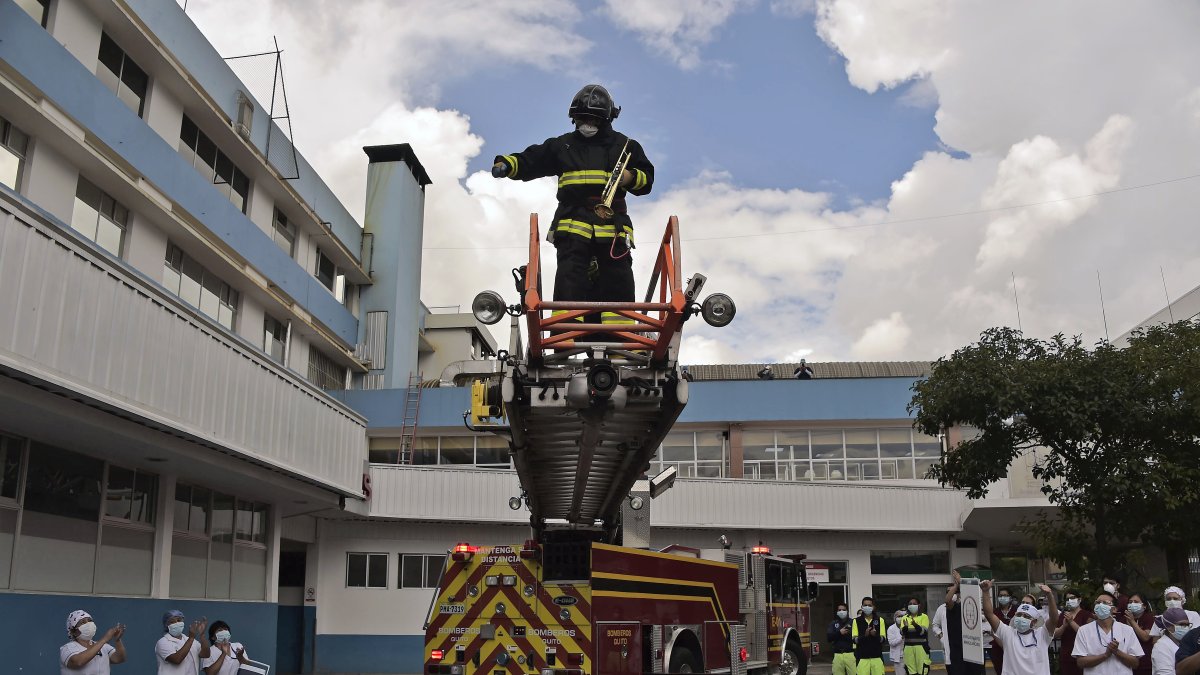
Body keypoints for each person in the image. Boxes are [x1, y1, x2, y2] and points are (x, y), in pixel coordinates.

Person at [492, 84, 653, 329]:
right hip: (572, 223)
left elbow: (647, 179)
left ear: (607, 118)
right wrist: (508, 165)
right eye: (581, 118)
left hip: (613, 227)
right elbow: (533, 159)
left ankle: (620, 332)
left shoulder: (626, 146)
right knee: (570, 275)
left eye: (593, 118)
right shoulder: (563, 145)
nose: (586, 123)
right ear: (573, 118)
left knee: (617, 277)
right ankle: (566, 330)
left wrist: (630, 177)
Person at [982, 581, 1059, 675]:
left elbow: (1054, 619)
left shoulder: (1042, 634)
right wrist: (985, 592)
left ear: (1034, 622)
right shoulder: (1008, 633)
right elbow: (989, 614)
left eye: (1026, 616)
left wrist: (1049, 595)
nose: (1021, 618)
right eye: (1019, 615)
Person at [1071, 591, 1143, 675]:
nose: (1100, 605)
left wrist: (1117, 652)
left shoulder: (1127, 630)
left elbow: (1135, 663)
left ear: (1114, 609)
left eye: (1105, 603)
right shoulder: (1083, 630)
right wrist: (1105, 655)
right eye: (1098, 602)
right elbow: (1080, 663)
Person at [944, 571, 986, 675]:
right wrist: (957, 585)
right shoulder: (955, 607)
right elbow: (948, 601)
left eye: (957, 592)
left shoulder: (974, 607)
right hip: (958, 650)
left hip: (973, 648)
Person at [61, 610, 126, 674]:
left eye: (90, 620)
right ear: (73, 632)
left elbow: (119, 659)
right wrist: (105, 639)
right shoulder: (67, 648)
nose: (88, 624)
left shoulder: (103, 646)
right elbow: (77, 662)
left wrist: (117, 640)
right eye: (83, 622)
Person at [155, 610, 209, 674]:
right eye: (172, 622)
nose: (176, 623)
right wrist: (191, 638)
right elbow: (177, 659)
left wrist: (202, 635)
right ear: (166, 625)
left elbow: (205, 654)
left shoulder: (191, 641)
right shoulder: (163, 642)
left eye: (179, 620)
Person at [1056, 590, 1094, 675]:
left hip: (1082, 656)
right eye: (1067, 599)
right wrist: (1064, 626)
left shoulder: (1087, 615)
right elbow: (1056, 635)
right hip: (1066, 655)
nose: (1069, 601)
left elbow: (1088, 635)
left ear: (1079, 599)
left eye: (1072, 598)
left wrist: (1071, 622)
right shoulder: (1063, 615)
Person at [852, 597, 889, 675]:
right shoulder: (856, 621)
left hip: (877, 658)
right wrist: (864, 636)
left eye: (869, 605)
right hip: (862, 658)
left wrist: (875, 635)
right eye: (865, 605)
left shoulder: (880, 620)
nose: (867, 607)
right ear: (862, 607)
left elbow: (883, 639)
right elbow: (854, 640)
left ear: (873, 607)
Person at [1120, 592, 1154, 675]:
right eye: (1130, 602)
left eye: (1136, 602)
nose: (1132, 604)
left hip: (1145, 664)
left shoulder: (1149, 618)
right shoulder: (1122, 619)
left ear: (1144, 606)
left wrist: (1132, 621)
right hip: (1126, 663)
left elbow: (1145, 637)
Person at [1150, 607, 1189, 675]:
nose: (1185, 628)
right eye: (1181, 625)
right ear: (1169, 627)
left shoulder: (1183, 644)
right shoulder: (1161, 647)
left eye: (1187, 625)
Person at [900, 597, 932, 675]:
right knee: (910, 671)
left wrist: (915, 625)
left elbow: (923, 632)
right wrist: (906, 627)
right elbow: (902, 633)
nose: (912, 605)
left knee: (922, 671)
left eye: (914, 604)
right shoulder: (904, 617)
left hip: (921, 648)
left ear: (919, 605)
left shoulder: (924, 617)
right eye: (910, 604)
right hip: (908, 647)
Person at [991, 588, 1018, 675]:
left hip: (1014, 647)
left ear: (1010, 597)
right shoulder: (995, 612)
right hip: (998, 648)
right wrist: (1002, 645)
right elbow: (993, 630)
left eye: (1005, 595)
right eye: (1000, 596)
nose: (1002, 597)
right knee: (1000, 670)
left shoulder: (1016, 611)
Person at [829, 602, 857, 675]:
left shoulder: (853, 622)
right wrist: (839, 633)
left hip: (850, 654)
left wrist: (848, 633)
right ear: (837, 612)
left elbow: (857, 637)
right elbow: (829, 638)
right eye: (839, 610)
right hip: (838, 654)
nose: (841, 612)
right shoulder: (833, 623)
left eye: (843, 610)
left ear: (847, 611)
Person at [932, 602, 951, 672]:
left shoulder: (963, 605)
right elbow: (935, 625)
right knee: (951, 669)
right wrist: (940, 635)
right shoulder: (942, 608)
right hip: (948, 645)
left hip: (962, 646)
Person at [889, 610, 907, 675]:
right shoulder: (891, 629)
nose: (900, 618)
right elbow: (891, 642)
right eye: (899, 616)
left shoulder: (906, 627)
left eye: (902, 616)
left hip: (908, 655)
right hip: (898, 657)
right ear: (895, 618)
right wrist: (901, 638)